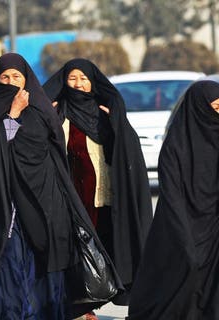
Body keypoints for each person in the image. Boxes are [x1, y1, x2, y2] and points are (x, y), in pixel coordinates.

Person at [0, 53, 121, 320]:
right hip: (10, 207)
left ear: (27, 79)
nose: (11, 82)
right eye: (5, 77)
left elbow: (56, 150)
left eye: (17, 77)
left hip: (47, 200)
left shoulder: (42, 107)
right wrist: (13, 114)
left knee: (50, 270)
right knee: (11, 273)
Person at [127, 80, 219, 320]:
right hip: (185, 233)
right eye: (216, 107)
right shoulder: (176, 146)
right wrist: (184, 241)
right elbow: (171, 197)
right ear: (200, 108)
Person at [42, 59, 153, 309]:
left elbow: (125, 149)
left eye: (83, 79)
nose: (78, 84)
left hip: (107, 194)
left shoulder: (105, 111)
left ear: (93, 82)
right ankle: (85, 306)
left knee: (109, 243)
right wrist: (47, 117)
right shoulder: (59, 111)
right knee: (81, 250)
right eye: (72, 78)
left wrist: (115, 123)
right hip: (74, 196)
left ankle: (119, 293)